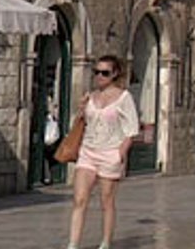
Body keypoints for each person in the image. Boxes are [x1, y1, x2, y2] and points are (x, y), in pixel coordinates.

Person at [66, 55, 140, 249]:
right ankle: (72, 245)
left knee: (106, 201)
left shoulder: (124, 98)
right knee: (79, 199)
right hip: (88, 152)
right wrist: (81, 109)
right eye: (96, 72)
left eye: (104, 73)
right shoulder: (90, 96)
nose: (99, 76)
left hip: (110, 154)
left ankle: (105, 242)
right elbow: (80, 124)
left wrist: (119, 154)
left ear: (114, 74)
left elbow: (132, 130)